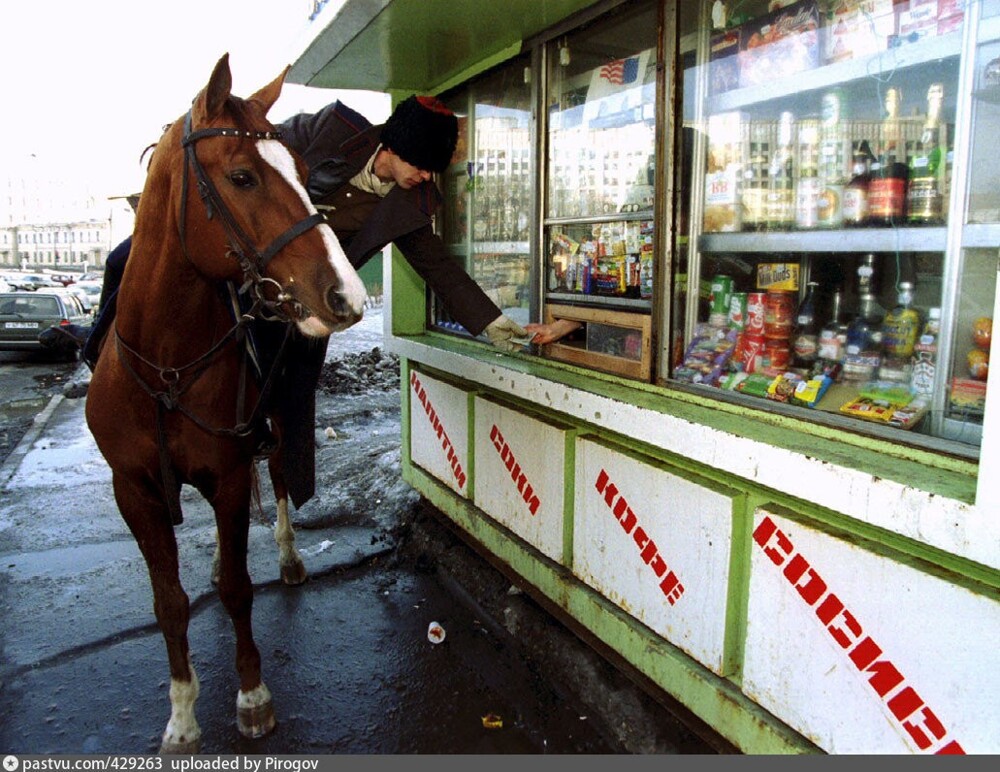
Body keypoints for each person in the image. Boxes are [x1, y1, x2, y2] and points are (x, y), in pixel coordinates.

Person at [71, 95, 534, 508]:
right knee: (124, 257)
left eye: (434, 168)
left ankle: (268, 442)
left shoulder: (411, 203)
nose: (427, 175)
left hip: (305, 289)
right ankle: (97, 348)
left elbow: (439, 267)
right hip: (247, 246)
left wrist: (491, 323)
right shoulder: (330, 129)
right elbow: (251, 150)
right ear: (392, 148)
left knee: (294, 371)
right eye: (422, 163)